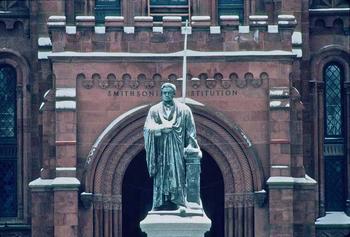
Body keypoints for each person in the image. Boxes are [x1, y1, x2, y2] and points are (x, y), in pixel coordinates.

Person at [144, 83, 201, 210]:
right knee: (161, 175)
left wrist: (192, 146)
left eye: (170, 92)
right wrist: (160, 129)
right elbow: (147, 128)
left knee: (177, 174)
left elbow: (191, 131)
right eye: (165, 93)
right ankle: (160, 202)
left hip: (177, 150)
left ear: (174, 94)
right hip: (161, 151)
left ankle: (178, 201)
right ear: (161, 93)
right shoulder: (154, 110)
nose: (167, 95)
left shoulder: (184, 110)